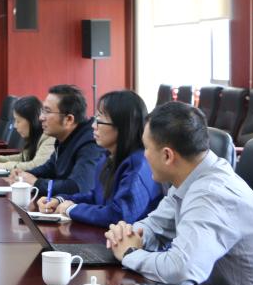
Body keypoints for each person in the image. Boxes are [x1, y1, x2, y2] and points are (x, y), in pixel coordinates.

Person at [105, 101, 253, 285]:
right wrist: (127, 236)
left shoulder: (212, 194)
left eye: (146, 148)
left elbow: (182, 270)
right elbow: (156, 225)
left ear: (167, 155)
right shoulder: (191, 176)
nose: (144, 155)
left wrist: (130, 254)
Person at [37, 90, 162, 227]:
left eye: (100, 120)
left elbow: (120, 215)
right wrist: (60, 200)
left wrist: (71, 209)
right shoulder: (107, 158)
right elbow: (95, 197)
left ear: (123, 126)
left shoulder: (137, 164)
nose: (93, 126)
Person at [9, 84, 105, 199]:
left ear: (69, 119)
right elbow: (49, 168)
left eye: (47, 111)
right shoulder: (65, 137)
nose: (41, 118)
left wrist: (36, 183)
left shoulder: (91, 144)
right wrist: (25, 174)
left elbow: (79, 187)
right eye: (42, 111)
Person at [0, 96, 55, 173]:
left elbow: (36, 166)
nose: (15, 126)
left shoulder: (50, 138)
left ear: (32, 121)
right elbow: (23, 157)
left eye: (18, 121)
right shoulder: (35, 136)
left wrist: (1, 166)